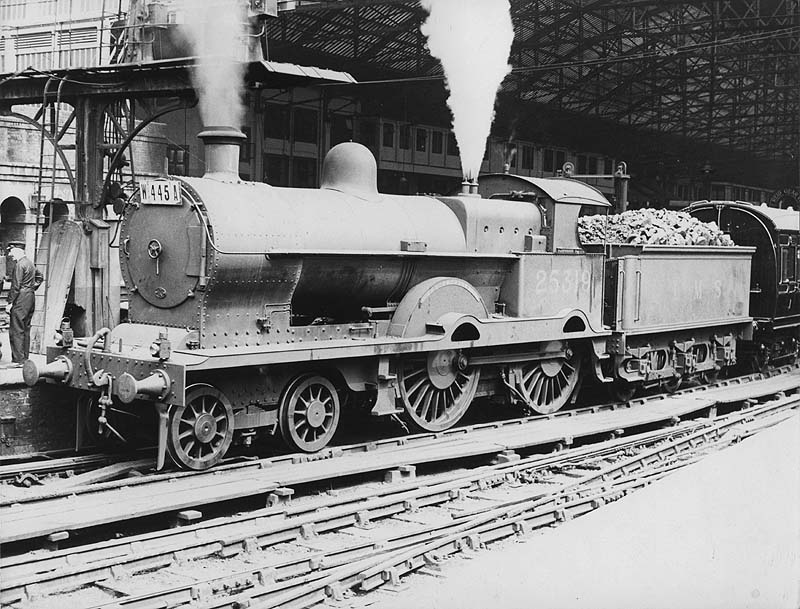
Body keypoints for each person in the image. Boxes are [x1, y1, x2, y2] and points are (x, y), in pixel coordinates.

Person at [7, 247, 42, 366]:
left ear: (18, 253)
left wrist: (10, 303)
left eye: (12, 254)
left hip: (20, 299)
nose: (11, 256)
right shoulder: (30, 263)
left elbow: (15, 286)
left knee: (16, 329)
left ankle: (18, 360)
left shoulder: (19, 265)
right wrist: (32, 287)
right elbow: (40, 277)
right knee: (26, 328)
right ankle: (25, 358)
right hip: (30, 297)